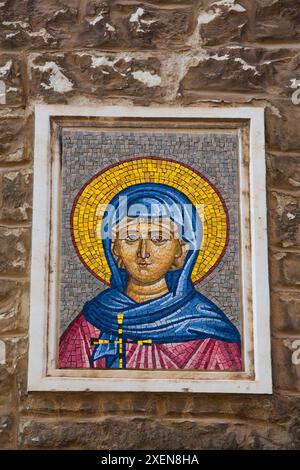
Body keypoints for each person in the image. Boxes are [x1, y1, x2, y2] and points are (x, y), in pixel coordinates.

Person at [59, 183, 241, 370]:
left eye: (159, 239)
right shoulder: (94, 319)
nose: (143, 252)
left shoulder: (209, 330)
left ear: (181, 251)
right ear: (115, 250)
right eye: (130, 238)